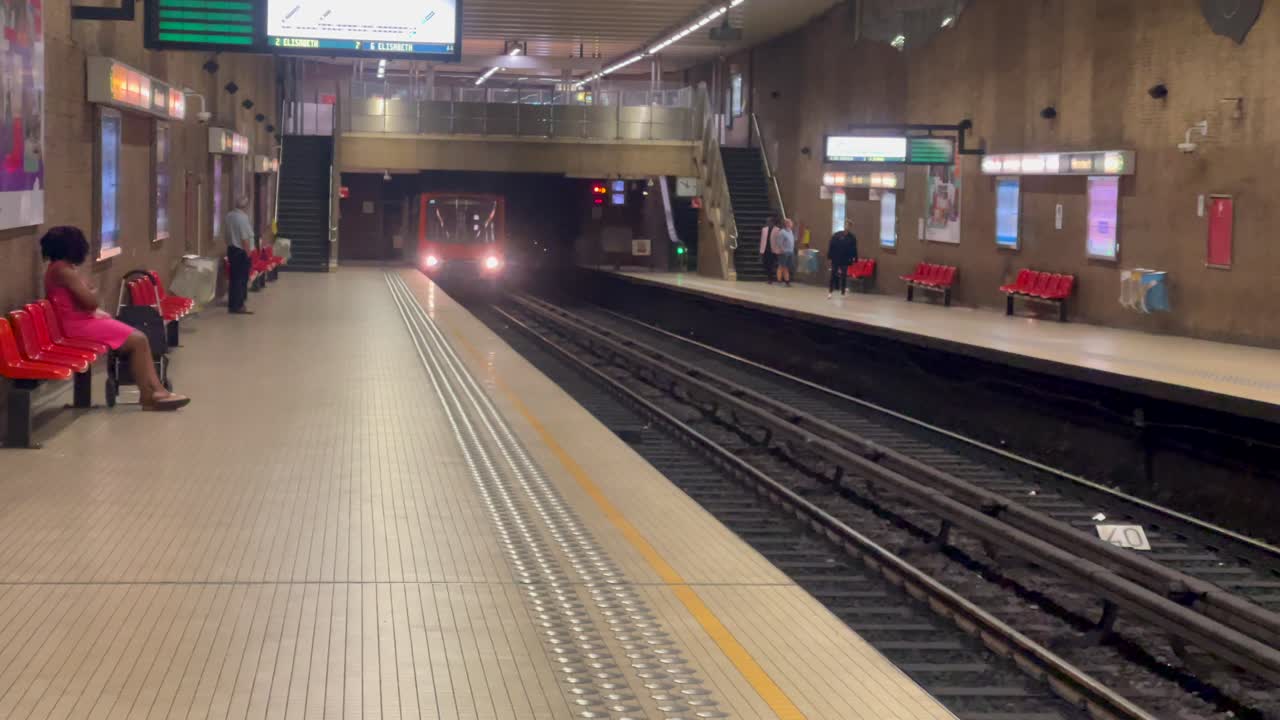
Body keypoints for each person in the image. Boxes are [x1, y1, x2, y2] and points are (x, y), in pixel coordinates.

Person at [40, 227, 190, 411]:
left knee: (138, 339)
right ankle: (154, 393)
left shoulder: (58, 269)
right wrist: (92, 291)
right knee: (139, 340)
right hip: (76, 326)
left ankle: (152, 393)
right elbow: (90, 301)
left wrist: (89, 292)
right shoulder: (63, 271)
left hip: (78, 321)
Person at [225, 196, 254, 315]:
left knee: (233, 278)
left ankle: (232, 304)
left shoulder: (229, 216)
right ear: (246, 206)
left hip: (231, 249)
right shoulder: (242, 218)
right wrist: (248, 254)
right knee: (241, 280)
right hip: (241, 252)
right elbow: (244, 238)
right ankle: (239, 305)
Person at [827, 219, 859, 298]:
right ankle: (830, 290)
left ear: (850, 227)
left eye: (849, 225)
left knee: (844, 275)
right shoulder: (837, 235)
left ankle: (843, 290)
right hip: (836, 258)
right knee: (833, 274)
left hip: (845, 259)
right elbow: (831, 245)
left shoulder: (852, 238)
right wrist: (829, 256)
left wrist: (855, 258)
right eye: (846, 225)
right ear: (844, 226)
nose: (847, 227)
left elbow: (854, 248)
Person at [772, 218, 796, 286]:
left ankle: (787, 281)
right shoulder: (782, 232)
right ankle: (779, 280)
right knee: (781, 266)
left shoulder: (790, 231)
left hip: (790, 251)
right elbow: (779, 242)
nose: (792, 224)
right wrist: (782, 249)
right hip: (784, 252)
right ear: (787, 224)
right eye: (791, 223)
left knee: (786, 267)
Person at [759, 216, 777, 284]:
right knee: (765, 263)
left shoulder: (777, 230)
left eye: (769, 222)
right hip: (765, 249)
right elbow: (762, 240)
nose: (768, 223)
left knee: (771, 264)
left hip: (772, 250)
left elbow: (777, 241)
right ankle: (768, 276)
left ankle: (770, 278)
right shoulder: (764, 229)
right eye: (767, 222)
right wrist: (761, 250)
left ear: (772, 222)